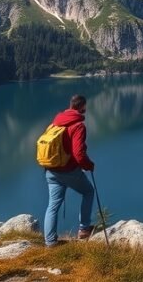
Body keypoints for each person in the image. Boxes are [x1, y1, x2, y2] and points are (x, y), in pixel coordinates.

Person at [43, 94, 96, 247]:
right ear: (82, 107)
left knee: (52, 206)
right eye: (85, 107)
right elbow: (78, 154)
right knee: (88, 192)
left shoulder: (56, 122)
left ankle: (50, 242)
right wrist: (88, 165)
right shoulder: (78, 125)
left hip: (51, 170)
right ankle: (84, 229)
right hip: (68, 171)